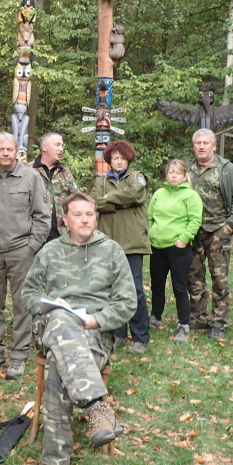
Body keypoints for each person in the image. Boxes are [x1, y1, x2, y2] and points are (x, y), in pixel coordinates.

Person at [21, 193, 136, 465]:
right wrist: (50, 304)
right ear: (65, 220)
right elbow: (27, 293)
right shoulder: (50, 251)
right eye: (78, 214)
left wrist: (94, 321)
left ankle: (55, 461)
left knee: (59, 367)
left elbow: (127, 303)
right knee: (59, 319)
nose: (85, 219)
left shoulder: (112, 251)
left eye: (90, 214)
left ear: (96, 218)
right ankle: (97, 406)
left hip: (94, 334)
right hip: (53, 327)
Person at [0, 132, 50, 380]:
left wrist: (31, 248)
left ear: (17, 151)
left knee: (21, 305)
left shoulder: (30, 178)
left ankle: (18, 357)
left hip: (21, 252)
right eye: (1, 149)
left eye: (10, 149)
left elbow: (42, 215)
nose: (5, 153)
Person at [91, 139, 151, 355]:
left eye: (122, 158)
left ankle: (140, 337)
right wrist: (119, 202)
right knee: (111, 289)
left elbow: (136, 194)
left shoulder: (137, 177)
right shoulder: (101, 181)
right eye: (115, 158)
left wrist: (110, 200)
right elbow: (95, 201)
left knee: (134, 290)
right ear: (109, 160)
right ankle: (118, 333)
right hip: (109, 242)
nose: (118, 161)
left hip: (132, 241)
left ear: (128, 159)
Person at [187, 128, 233, 339]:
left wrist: (230, 225)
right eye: (198, 143)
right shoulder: (187, 168)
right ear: (193, 146)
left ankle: (218, 322)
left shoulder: (226, 168)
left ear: (213, 146)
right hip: (193, 232)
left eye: (205, 143)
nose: (201, 146)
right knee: (193, 277)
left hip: (218, 231)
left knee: (219, 278)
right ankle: (199, 318)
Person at [148, 160, 203, 344]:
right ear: (166, 174)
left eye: (177, 173)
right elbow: (150, 217)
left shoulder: (191, 196)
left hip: (178, 247)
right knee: (157, 285)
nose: (173, 176)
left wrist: (184, 239)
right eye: (171, 172)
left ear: (184, 175)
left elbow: (195, 220)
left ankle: (183, 324)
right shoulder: (158, 194)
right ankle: (155, 316)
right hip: (157, 245)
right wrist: (150, 234)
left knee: (179, 287)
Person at [33, 132, 77, 243]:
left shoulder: (65, 173)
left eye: (62, 145)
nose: (61, 149)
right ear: (44, 147)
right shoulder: (28, 171)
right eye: (57, 145)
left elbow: (75, 201)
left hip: (61, 236)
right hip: (34, 235)